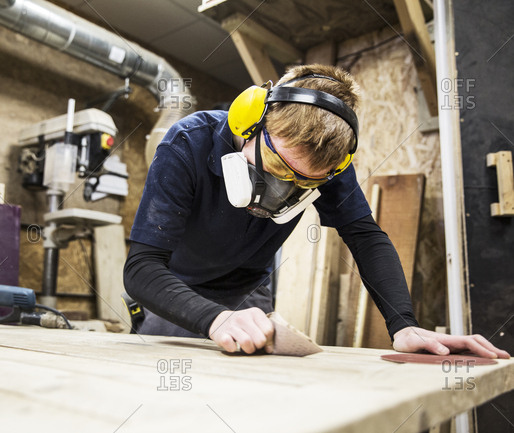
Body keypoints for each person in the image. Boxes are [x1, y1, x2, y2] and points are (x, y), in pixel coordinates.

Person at [123, 64, 509, 359]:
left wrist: (404, 325)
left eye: (304, 183)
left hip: (246, 287)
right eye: (275, 168)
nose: (281, 191)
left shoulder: (328, 166)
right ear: (249, 122)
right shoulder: (188, 143)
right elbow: (141, 268)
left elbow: (366, 237)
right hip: (173, 284)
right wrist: (216, 318)